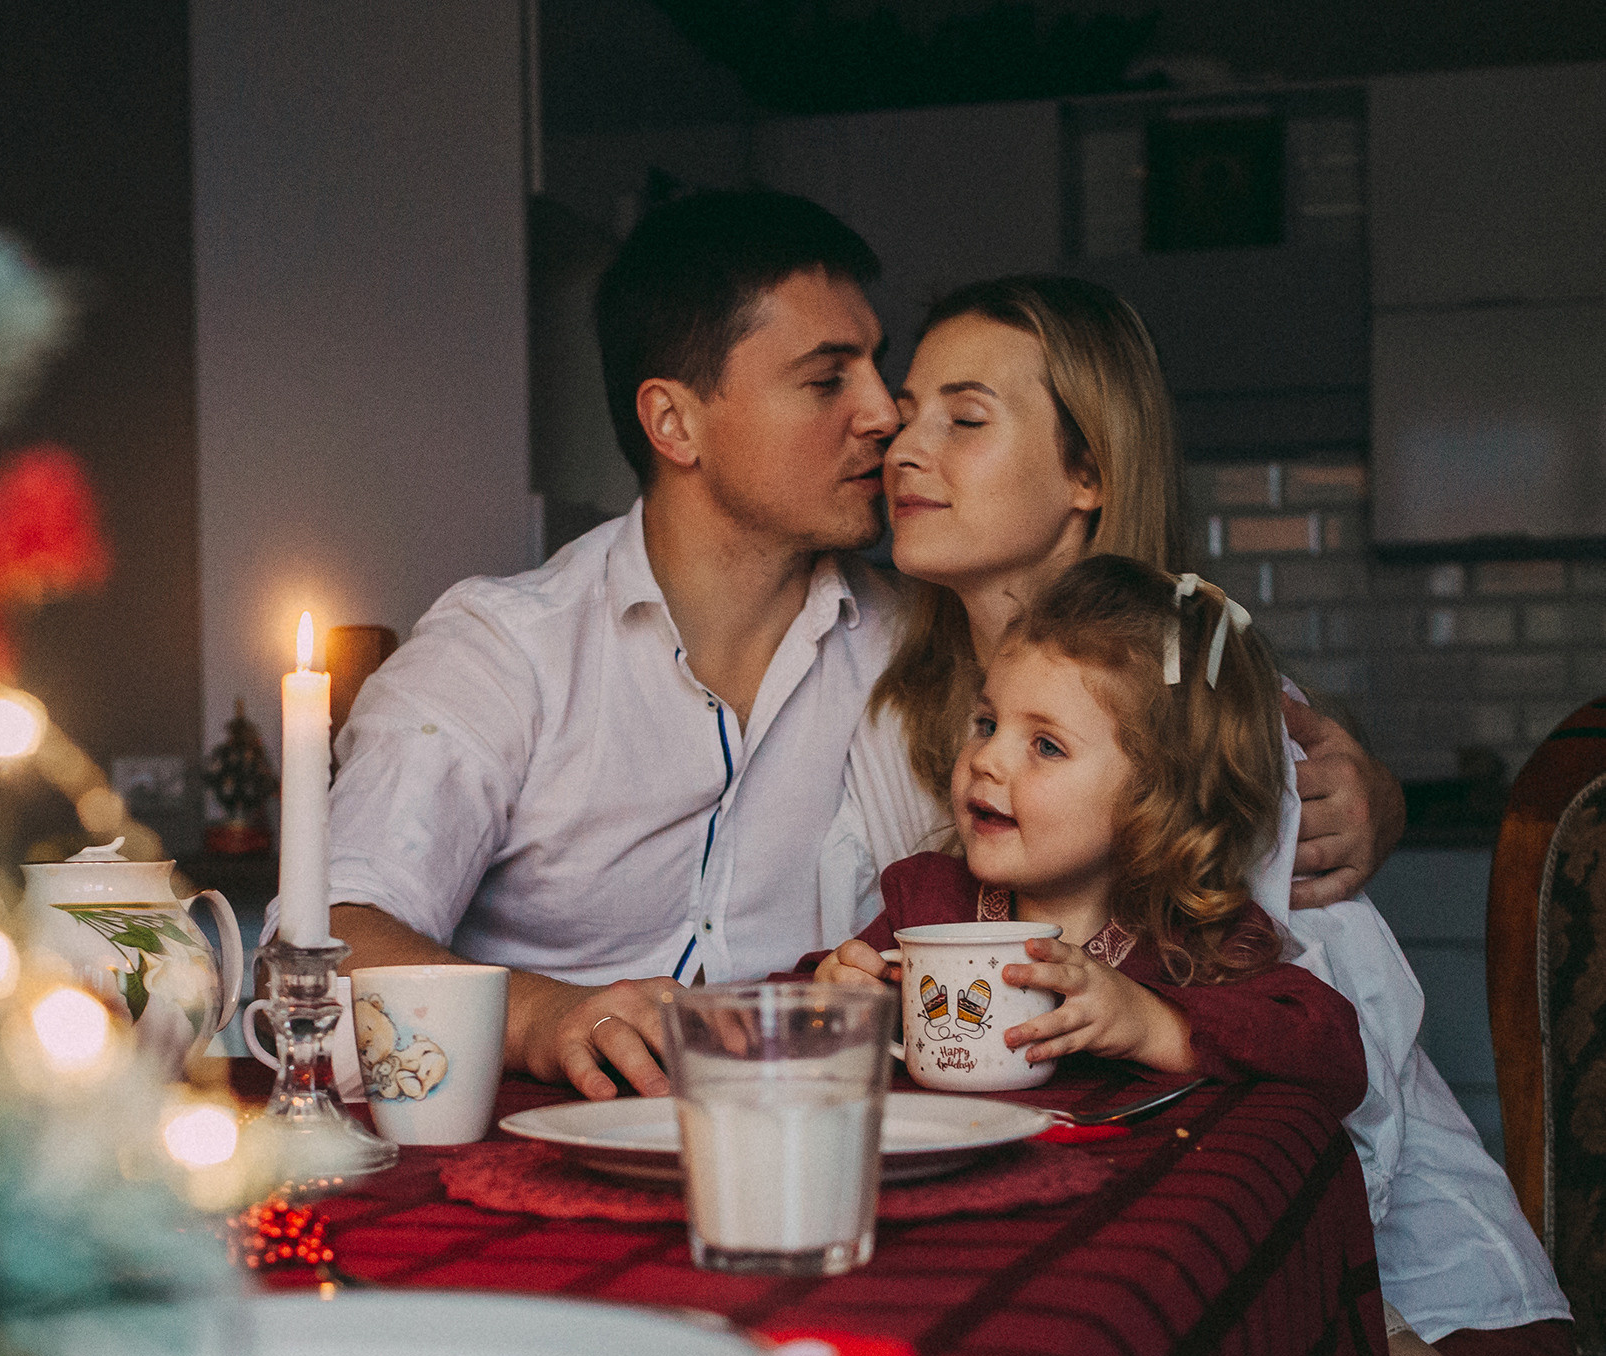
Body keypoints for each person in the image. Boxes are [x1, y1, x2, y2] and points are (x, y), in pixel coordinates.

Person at [319, 190, 1397, 1102]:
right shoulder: (507, 650)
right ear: (676, 423)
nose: (886, 417)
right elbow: (328, 935)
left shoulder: (921, 645)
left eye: (890, 375)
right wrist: (542, 1014)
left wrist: (1366, 793)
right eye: (831, 376)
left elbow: (1146, 714)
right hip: (554, 1140)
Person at [819, 274, 1570, 1356]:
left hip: (1403, 1293)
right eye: (909, 409)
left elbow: (1328, 1063)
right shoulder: (893, 678)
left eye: (965, 418)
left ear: (1091, 474)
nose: (903, 444)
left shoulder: (1206, 707)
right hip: (1095, 1230)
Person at [812, 554, 1367, 1121]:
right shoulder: (924, 900)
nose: (988, 759)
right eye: (987, 723)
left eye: (1046, 745)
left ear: (1156, 796)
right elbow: (792, 1002)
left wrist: (1153, 1024)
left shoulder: (1191, 941)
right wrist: (832, 994)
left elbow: (1335, 1053)